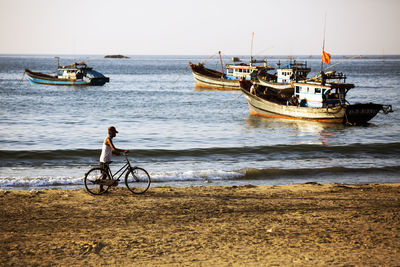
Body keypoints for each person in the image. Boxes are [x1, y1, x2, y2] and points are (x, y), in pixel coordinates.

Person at [98, 126, 129, 193]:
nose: (115, 134)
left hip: (106, 159)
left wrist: (117, 154)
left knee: (105, 175)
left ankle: (101, 189)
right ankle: (100, 189)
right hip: (104, 160)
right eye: (114, 132)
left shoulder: (109, 139)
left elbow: (109, 150)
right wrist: (124, 150)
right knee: (104, 175)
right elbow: (114, 148)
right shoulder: (108, 139)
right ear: (111, 132)